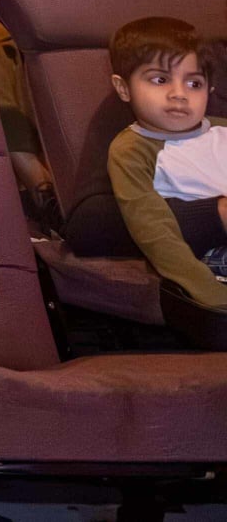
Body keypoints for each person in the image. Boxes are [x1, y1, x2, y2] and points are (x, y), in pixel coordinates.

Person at [106, 16, 227, 310]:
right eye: (160, 80)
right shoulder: (132, 150)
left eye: (194, 83)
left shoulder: (222, 130)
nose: (179, 94)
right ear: (123, 88)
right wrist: (213, 297)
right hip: (208, 258)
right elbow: (153, 231)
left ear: (210, 91)